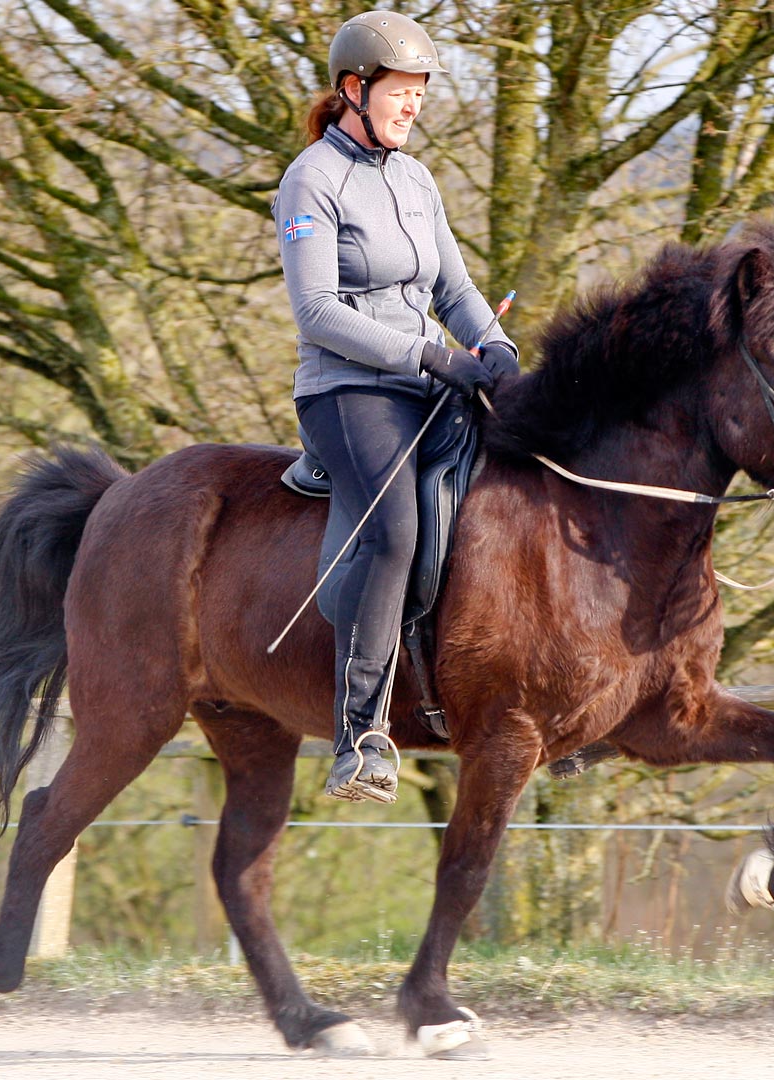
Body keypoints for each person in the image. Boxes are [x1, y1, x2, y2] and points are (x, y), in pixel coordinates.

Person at [274, 10, 519, 803]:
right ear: (354, 89)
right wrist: (429, 354)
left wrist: (493, 346)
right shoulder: (312, 178)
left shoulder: (415, 179)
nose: (413, 106)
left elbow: (454, 288)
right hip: (347, 390)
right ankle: (362, 735)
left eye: (419, 93)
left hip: (430, 379)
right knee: (394, 528)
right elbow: (316, 311)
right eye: (400, 92)